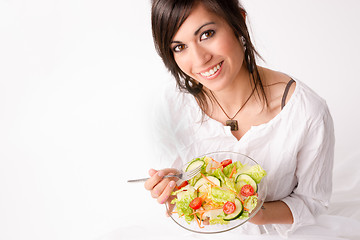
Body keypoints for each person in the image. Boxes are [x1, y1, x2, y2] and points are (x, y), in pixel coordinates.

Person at [144, 0, 334, 237]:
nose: (200, 59)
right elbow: (180, 194)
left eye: (207, 34)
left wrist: (259, 212)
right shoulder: (173, 104)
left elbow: (313, 203)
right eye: (179, 47)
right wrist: (171, 190)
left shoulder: (306, 113)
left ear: (239, 23)